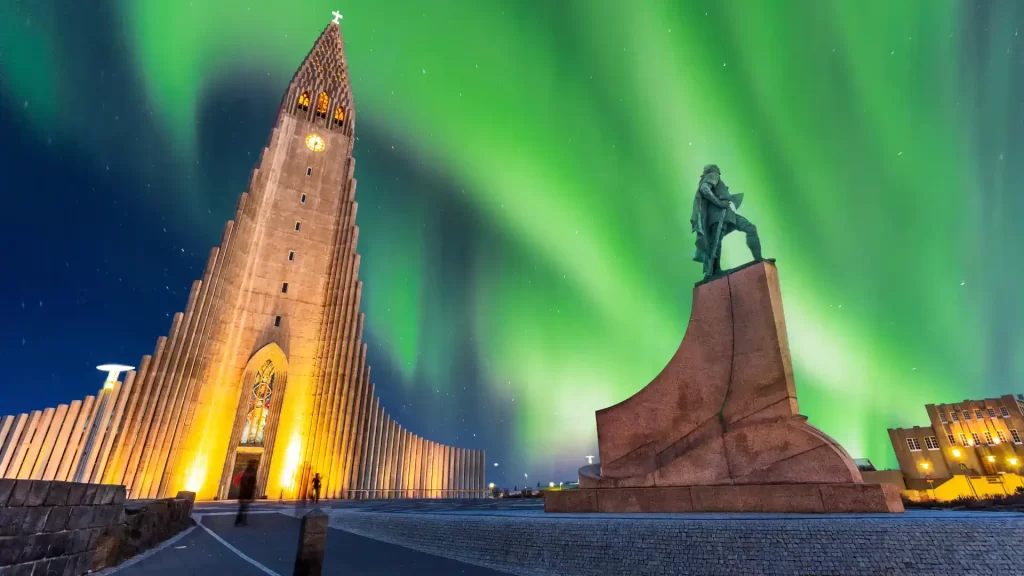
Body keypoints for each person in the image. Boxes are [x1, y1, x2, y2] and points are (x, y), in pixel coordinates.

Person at [690, 164, 763, 278]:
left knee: (749, 228)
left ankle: (758, 259)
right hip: (718, 216)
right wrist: (719, 203)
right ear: (714, 170)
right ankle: (714, 272)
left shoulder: (716, 179)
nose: (719, 170)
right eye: (717, 168)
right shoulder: (713, 175)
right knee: (715, 244)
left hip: (727, 214)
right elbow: (704, 189)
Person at [235, 461, 257, 526]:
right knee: (244, 508)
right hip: (246, 493)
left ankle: (241, 521)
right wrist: (251, 495)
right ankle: (240, 522)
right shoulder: (251, 473)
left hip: (243, 493)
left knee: (243, 508)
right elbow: (250, 484)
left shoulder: (246, 472)